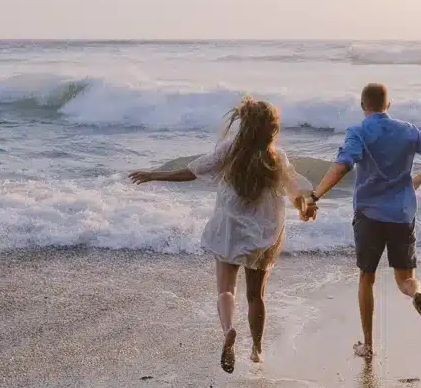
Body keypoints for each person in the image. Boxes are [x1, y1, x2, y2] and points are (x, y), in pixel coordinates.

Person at [130, 96, 312, 373]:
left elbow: (192, 171)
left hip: (230, 228)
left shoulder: (229, 150)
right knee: (256, 295)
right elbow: (295, 191)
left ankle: (228, 329)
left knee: (226, 288)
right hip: (264, 232)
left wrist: (155, 174)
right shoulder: (277, 157)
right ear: (271, 129)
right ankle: (257, 349)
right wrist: (304, 208)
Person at [303, 83, 421, 360]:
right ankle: (417, 295)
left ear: (362, 106)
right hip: (402, 214)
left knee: (367, 278)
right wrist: (414, 180)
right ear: (388, 106)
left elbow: (343, 165)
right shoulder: (408, 130)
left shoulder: (358, 131)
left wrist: (315, 195)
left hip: (369, 215)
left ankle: (368, 345)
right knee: (406, 279)